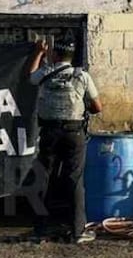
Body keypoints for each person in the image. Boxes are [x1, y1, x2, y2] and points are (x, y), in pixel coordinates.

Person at [28, 37, 103, 244]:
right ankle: (78, 231)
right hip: (74, 133)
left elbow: (31, 77)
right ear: (71, 55)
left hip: (49, 132)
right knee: (74, 178)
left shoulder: (45, 73)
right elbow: (98, 107)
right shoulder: (82, 76)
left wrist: (38, 53)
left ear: (55, 54)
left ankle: (41, 229)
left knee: (44, 176)